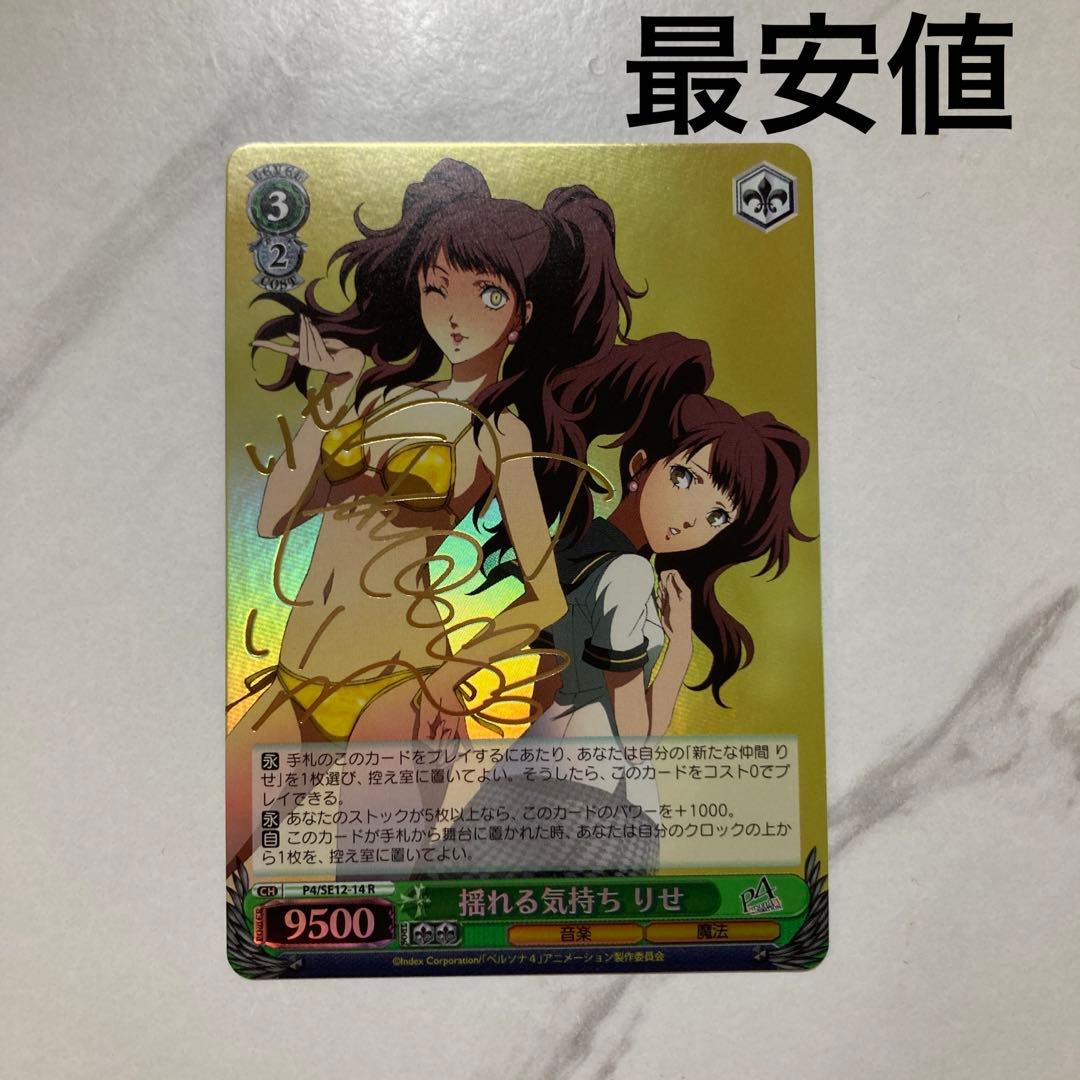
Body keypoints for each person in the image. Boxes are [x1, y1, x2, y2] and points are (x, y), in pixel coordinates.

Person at [226, 158, 642, 873]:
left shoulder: (502, 432)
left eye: (486, 294)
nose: (455, 314)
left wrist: (454, 674)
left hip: (402, 685)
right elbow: (274, 516)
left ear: (522, 315)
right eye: (436, 287)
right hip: (298, 673)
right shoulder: (379, 397)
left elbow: (542, 595)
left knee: (372, 889)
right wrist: (336, 391)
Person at [443, 333, 813, 875]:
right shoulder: (630, 574)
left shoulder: (574, 544)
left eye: (718, 516)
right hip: (597, 804)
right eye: (686, 479)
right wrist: (678, 649)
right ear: (640, 465)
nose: (692, 519)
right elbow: (639, 736)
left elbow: (546, 677)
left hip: (528, 781)